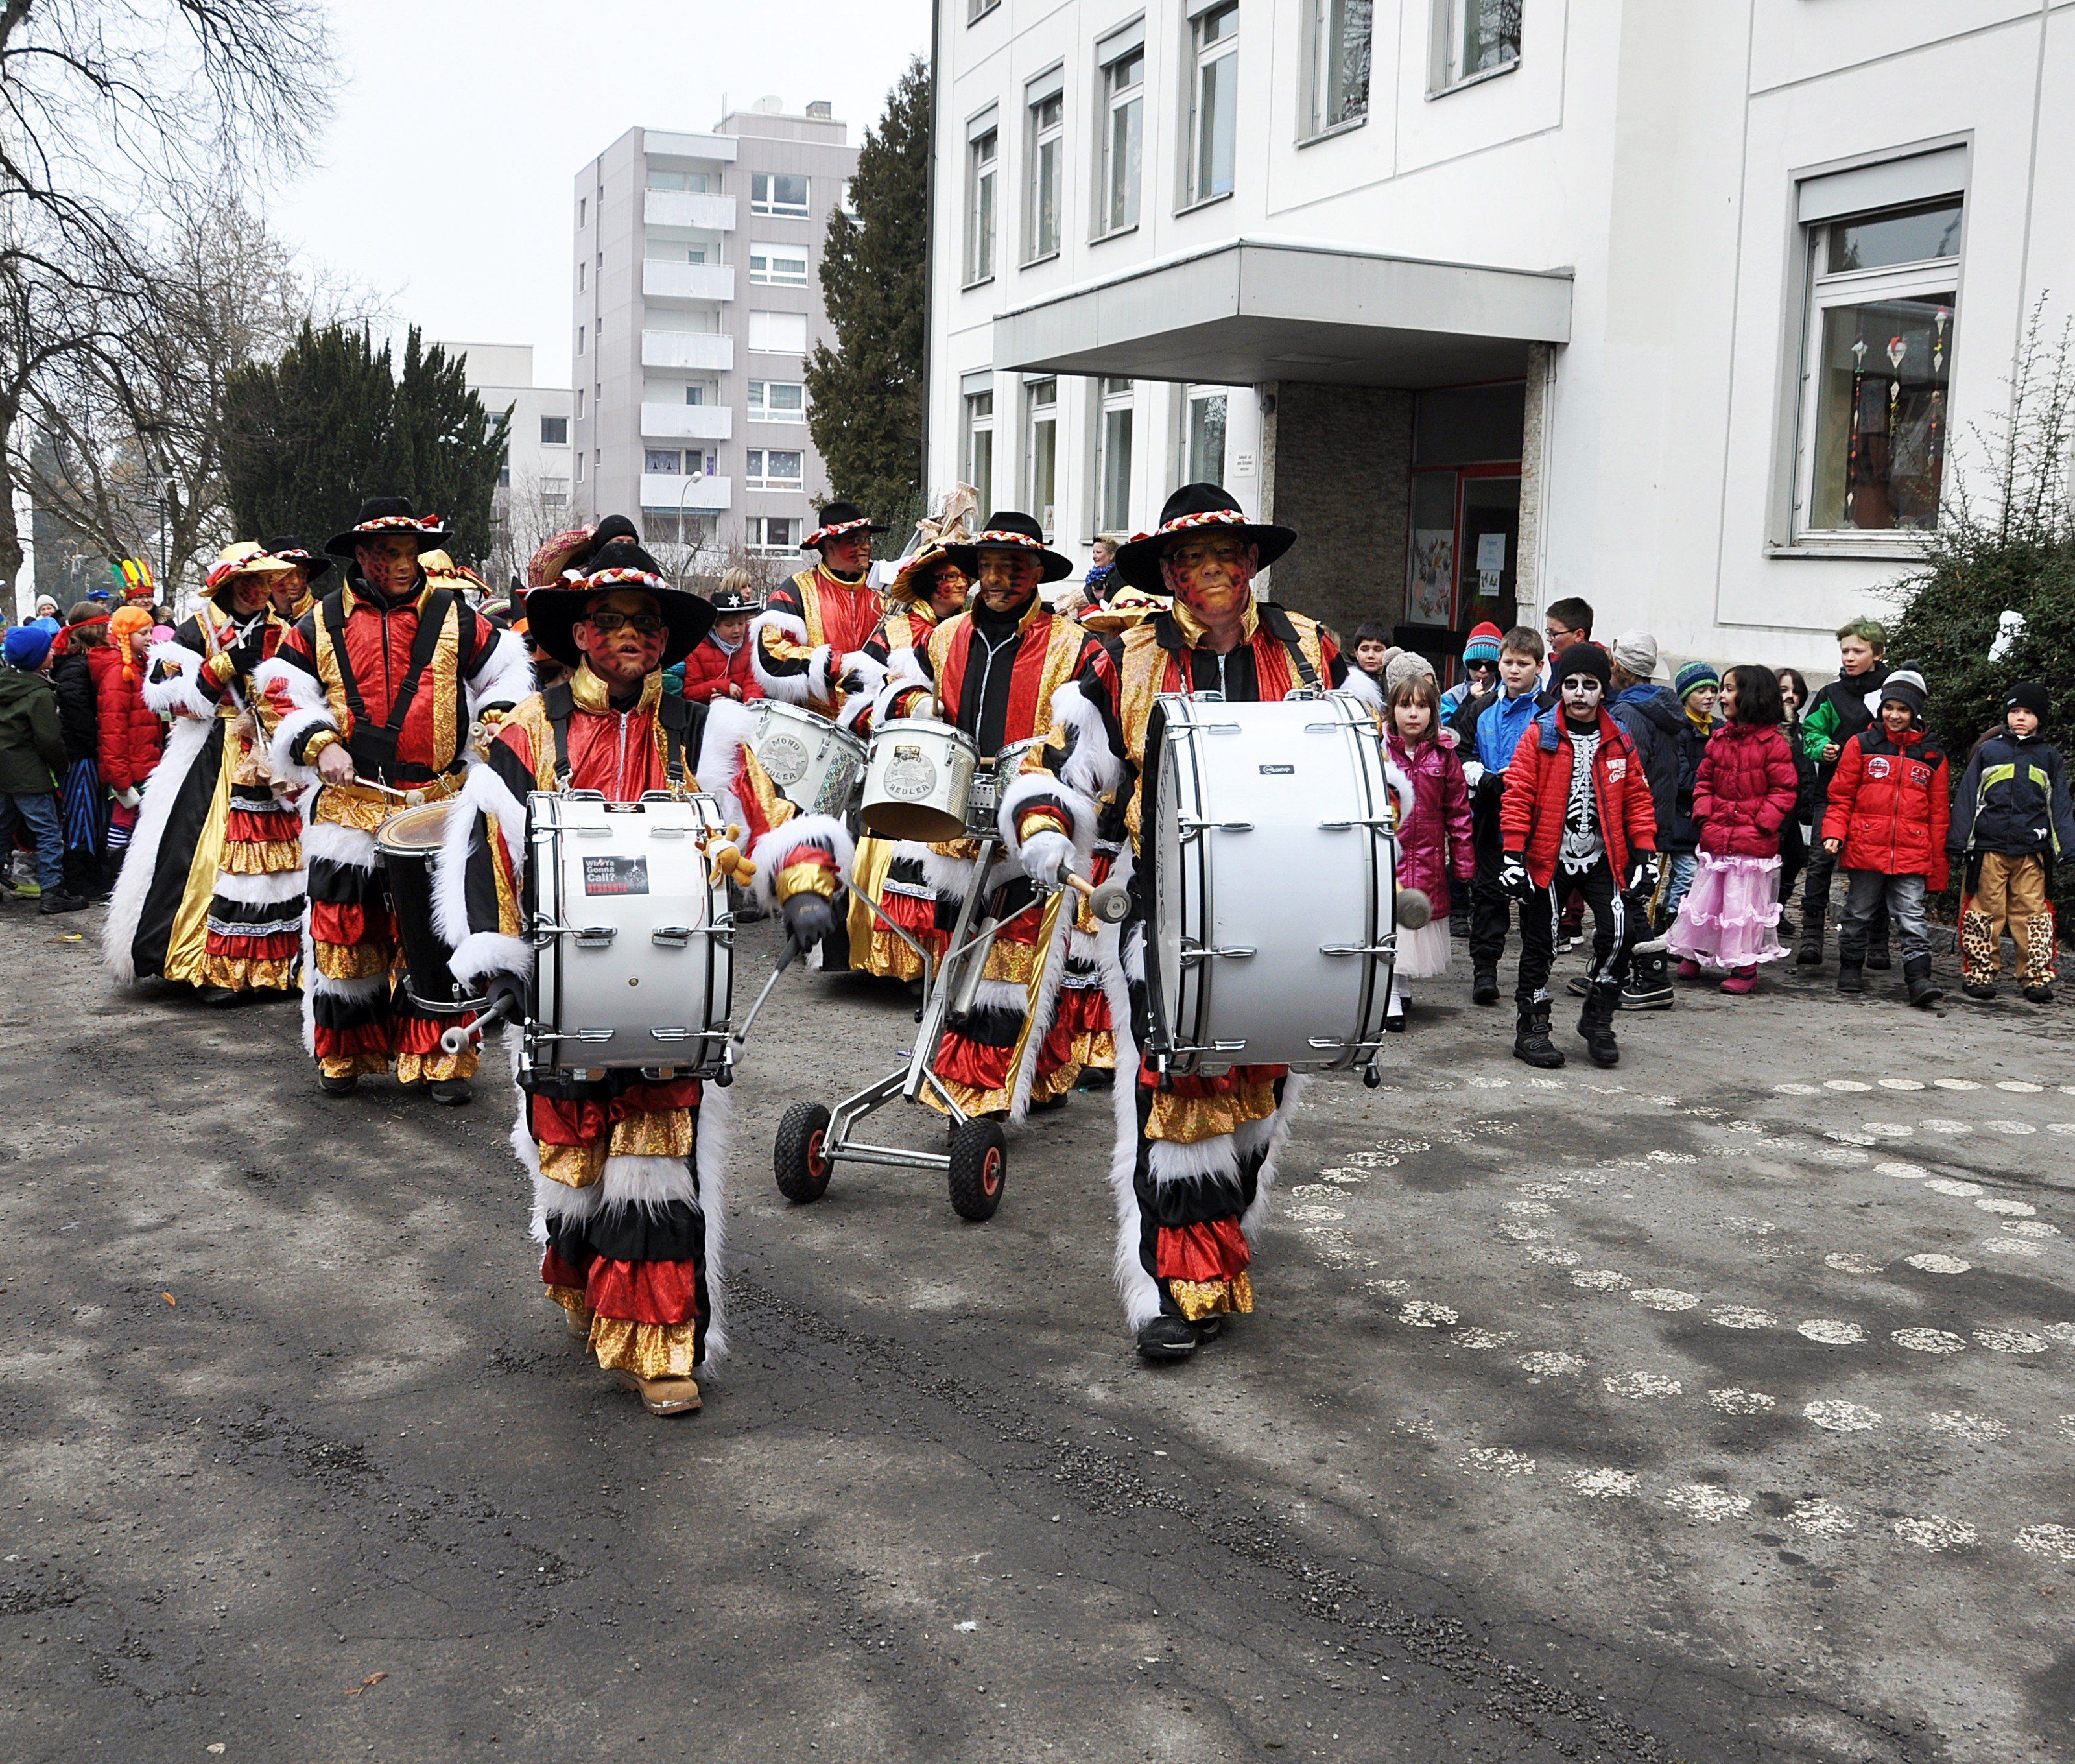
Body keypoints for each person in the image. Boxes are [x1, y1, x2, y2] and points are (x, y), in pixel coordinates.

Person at [433, 541, 848, 1418]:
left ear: (666, 637)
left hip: (672, 995)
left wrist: (805, 885)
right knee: (574, 1174)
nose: (630, 637)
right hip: (557, 993)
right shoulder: (525, 734)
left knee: (655, 1175)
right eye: (611, 622)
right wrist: (496, 962)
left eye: (646, 623)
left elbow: (780, 819)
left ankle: (662, 1347)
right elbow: (482, 854)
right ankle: (591, 1294)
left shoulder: (711, 731)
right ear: (579, 632)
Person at [1000, 483, 1381, 1362]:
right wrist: (1049, 829)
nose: (1211, 572)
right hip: (1164, 899)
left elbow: (1371, 766)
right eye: (1190, 560)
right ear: (1168, 572)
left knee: (1258, 1102)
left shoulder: (1313, 651)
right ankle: (1167, 1293)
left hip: (1291, 899)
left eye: (1226, 556)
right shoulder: (1120, 658)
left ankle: (1218, 1250)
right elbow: (1058, 764)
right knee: (1173, 1095)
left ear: (1252, 563)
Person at [254, 497, 533, 1099]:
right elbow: (278, 689)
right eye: (389, 554)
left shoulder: (456, 615)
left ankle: (443, 1060)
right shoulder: (322, 621)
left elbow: (509, 673)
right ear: (362, 556)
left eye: (410, 552)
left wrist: (495, 719)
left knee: (435, 941)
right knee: (346, 938)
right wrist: (318, 742)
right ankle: (346, 1055)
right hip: (349, 805)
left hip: (435, 802)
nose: (404, 564)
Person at [877, 510, 1115, 1119]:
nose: (1000, 579)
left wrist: (1051, 792)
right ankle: (990, 1074)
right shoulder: (944, 635)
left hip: (1031, 828)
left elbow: (1092, 745)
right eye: (989, 568)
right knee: (954, 957)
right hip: (951, 825)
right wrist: (918, 702)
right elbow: (894, 693)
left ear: (1037, 573)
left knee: (1009, 965)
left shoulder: (1076, 646)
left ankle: (979, 1096)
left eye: (1013, 568)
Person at [104, 544, 311, 1003]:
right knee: (202, 855)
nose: (259, 592)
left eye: (265, 583)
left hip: (272, 755)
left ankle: (280, 965)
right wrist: (220, 668)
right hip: (210, 754)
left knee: (282, 862)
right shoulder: (195, 630)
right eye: (249, 583)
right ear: (228, 586)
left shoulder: (284, 630)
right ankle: (212, 967)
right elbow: (165, 698)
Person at [1498, 641, 1658, 1069]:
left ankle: (1599, 1016)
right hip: (1549, 856)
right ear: (1560, 688)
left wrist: (1645, 853)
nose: (1580, 694)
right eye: (1570, 685)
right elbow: (1517, 796)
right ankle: (1531, 1028)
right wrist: (1513, 856)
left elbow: (1638, 800)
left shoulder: (1619, 740)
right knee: (1542, 939)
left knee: (1620, 930)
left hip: (1603, 857)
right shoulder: (1540, 733)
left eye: (1590, 685)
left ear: (1603, 690)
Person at [848, 521, 973, 983]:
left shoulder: (968, 630)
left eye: (964, 576)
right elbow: (858, 701)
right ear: (928, 583)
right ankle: (898, 958)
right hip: (902, 766)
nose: (960, 583)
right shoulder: (897, 632)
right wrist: (910, 707)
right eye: (950, 576)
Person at [1665, 665, 1800, 994]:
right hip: (1717, 836)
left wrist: (1762, 824)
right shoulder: (1719, 739)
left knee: (1741, 906)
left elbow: (1784, 791)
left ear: (1750, 696)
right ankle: (1695, 952)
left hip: (1751, 843)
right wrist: (1704, 815)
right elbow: (1704, 781)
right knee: (1706, 899)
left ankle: (1744, 964)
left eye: (1728, 689)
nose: (1721, 696)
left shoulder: (1773, 745)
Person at [1820, 669, 1947, 1006]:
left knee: (1911, 914)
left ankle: (1919, 978)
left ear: (1915, 713)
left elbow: (1938, 814)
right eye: (1889, 707)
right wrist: (1834, 833)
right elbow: (1841, 796)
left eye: (1903, 710)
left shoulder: (1932, 755)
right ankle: (1850, 969)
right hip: (1866, 847)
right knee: (1859, 911)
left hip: (1912, 850)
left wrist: (1937, 864)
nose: (1894, 715)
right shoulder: (1861, 744)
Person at [1950, 682, 2071, 1003]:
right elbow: (1967, 797)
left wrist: (2066, 847)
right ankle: (1979, 973)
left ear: (2040, 719)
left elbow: (2058, 804)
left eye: (2028, 713)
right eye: (2014, 711)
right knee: (1984, 911)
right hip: (1989, 848)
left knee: (2032, 914)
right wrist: (1958, 840)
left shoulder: (2049, 757)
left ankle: (2035, 977)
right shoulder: (1989, 752)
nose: (2020, 718)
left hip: (2032, 852)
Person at [1452, 625, 1545, 1005]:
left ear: (1539, 666)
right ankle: (1485, 970)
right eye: (1508, 662)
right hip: (1490, 815)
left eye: (1523, 663)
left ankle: (1533, 975)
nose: (1514, 670)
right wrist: (1484, 778)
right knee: (1488, 895)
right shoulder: (1481, 706)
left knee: (1535, 898)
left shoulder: (1550, 710)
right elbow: (1459, 750)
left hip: (1537, 821)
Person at [1796, 620, 1891, 967]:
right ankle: (1812, 936)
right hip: (1832, 794)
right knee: (1820, 860)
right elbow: (1811, 733)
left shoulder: (1892, 693)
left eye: (1858, 651)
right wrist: (1823, 749)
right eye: (1845, 651)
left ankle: (1877, 939)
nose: (1849, 658)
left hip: (1878, 797)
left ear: (1877, 654)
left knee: (1875, 864)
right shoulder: (1831, 695)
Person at [1383, 669, 1473, 1031]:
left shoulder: (1444, 756)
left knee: (1414, 925)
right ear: (1393, 711)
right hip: (1392, 853)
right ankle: (1389, 996)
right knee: (1389, 924)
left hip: (1429, 854)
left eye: (1422, 707)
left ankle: (1402, 987)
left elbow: (1459, 811)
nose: (1413, 714)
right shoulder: (1379, 753)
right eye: (1405, 706)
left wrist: (1464, 863)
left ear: (1433, 714)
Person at [752, 499, 887, 731]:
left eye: (867, 540)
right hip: (814, 727)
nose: (866, 547)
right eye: (855, 541)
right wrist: (836, 664)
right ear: (829, 547)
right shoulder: (796, 590)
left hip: (874, 725)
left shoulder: (882, 592)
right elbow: (771, 650)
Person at [1602, 632, 1683, 1009]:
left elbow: (1620, 774)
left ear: (1617, 666)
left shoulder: (1629, 714)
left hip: (1631, 822)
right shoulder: (1655, 707)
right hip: (1649, 817)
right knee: (1615, 896)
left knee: (1627, 898)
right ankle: (1610, 970)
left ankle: (1652, 976)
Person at [0, 623, 86, 912]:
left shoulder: (5, 685)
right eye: (47, 649)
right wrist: (61, 767)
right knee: (48, 831)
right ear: (37, 659)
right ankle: (53, 890)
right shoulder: (40, 695)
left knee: (2, 827)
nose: (53, 650)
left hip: (3, 773)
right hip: (29, 776)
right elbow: (49, 739)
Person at [89, 604, 163, 863]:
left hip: (145, 762)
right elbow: (112, 731)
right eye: (142, 632)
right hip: (131, 768)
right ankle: (116, 867)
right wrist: (120, 780)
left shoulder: (140, 668)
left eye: (150, 632)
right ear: (126, 635)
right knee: (124, 818)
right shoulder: (119, 675)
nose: (149, 638)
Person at [51, 604, 108, 900]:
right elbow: (78, 715)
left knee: (93, 813)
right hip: (81, 753)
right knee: (82, 815)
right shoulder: (77, 666)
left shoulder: (85, 663)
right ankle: (79, 878)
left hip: (87, 750)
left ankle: (93, 874)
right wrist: (98, 740)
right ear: (94, 630)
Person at [1663, 662, 1721, 931]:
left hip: (1708, 819)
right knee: (1687, 874)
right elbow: (1683, 778)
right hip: (1684, 819)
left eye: (1713, 690)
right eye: (1701, 691)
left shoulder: (1719, 729)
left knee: (1687, 875)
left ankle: (1668, 916)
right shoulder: (1679, 731)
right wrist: (1716, 782)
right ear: (1686, 696)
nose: (1709, 696)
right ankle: (1674, 921)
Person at [672, 573, 763, 705]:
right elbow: (690, 693)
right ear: (715, 625)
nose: (737, 630)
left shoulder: (751, 644)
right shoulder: (697, 650)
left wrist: (752, 700)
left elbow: (753, 680)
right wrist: (723, 687)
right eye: (729, 625)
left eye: (741, 623)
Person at [1775, 667, 1814, 935]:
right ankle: (1768, 911)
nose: (1790, 697)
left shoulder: (1800, 730)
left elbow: (1804, 769)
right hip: (1773, 810)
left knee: (1797, 857)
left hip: (1793, 809)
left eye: (1795, 692)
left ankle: (1776, 909)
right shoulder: (1769, 727)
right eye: (1784, 691)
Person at [1440, 621, 1502, 721]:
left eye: (1491, 665)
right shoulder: (1451, 698)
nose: (1483, 670)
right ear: (1466, 664)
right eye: (1475, 664)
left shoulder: (1508, 694)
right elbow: (1446, 732)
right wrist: (1469, 701)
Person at [263, 538, 331, 623]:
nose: (296, 582)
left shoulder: (325, 614)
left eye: (301, 574)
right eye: (287, 575)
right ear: (269, 578)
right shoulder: (257, 618)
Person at [1350, 623, 1395, 690]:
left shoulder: (1396, 684)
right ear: (1356, 653)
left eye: (1378, 650)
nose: (1370, 655)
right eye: (1365, 650)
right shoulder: (1347, 681)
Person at [1082, 533, 1120, 605]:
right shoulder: (1092, 576)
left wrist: (1102, 598)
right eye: (1093, 552)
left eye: (1098, 552)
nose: (1094, 556)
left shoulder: (1118, 576)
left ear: (1112, 554)